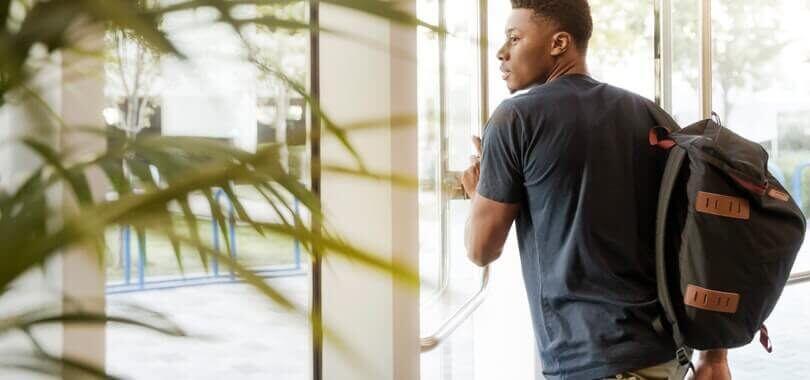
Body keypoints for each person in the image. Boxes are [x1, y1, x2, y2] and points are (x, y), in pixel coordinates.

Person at [459, 1, 732, 379]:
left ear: (559, 43)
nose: (502, 53)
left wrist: (478, 194)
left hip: (593, 362)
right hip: (666, 356)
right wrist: (714, 358)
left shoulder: (515, 118)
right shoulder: (652, 116)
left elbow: (480, 249)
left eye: (514, 38)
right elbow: (698, 235)